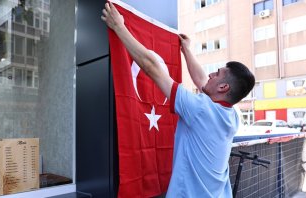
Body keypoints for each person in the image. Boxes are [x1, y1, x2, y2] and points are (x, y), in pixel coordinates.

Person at [101, 2, 255, 198]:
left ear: (224, 87)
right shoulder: (232, 116)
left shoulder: (200, 109)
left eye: (217, 73)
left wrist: (119, 27)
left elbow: (152, 67)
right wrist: (187, 51)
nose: (210, 74)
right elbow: (201, 81)